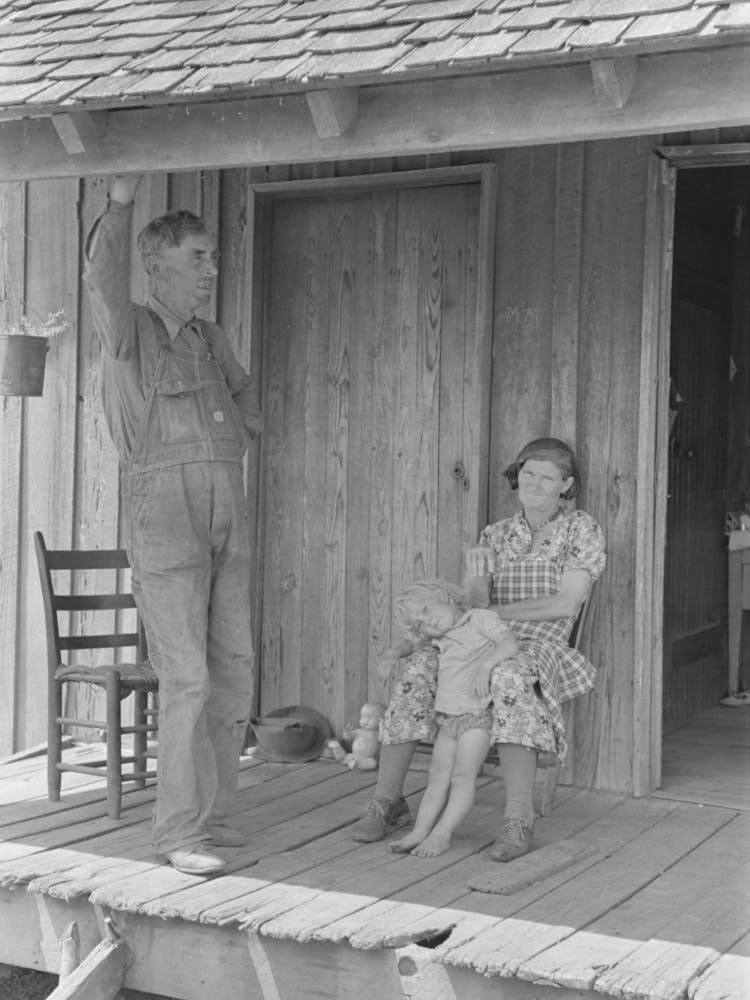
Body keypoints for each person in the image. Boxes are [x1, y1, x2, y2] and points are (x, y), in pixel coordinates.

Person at [84, 174, 261, 877]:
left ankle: (214, 814)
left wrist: (241, 432)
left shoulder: (211, 338)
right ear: (156, 263)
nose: (210, 269)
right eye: (198, 256)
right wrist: (121, 203)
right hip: (166, 509)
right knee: (186, 675)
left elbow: (244, 397)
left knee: (234, 669)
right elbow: (101, 274)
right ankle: (177, 833)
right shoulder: (127, 330)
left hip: (228, 505)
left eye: (212, 256)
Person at [350, 438, 605, 862]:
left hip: (541, 643)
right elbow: (473, 605)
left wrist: (498, 613)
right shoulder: (497, 534)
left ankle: (518, 818)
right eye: (528, 474)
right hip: (477, 635)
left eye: (547, 477)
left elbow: (566, 602)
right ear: (517, 478)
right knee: (420, 668)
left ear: (566, 484)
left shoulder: (580, 528)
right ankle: (388, 801)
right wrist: (476, 569)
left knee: (509, 675)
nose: (535, 483)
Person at [385, 580, 519, 857]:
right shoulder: (439, 637)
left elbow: (509, 643)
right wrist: (391, 655)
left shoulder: (479, 619)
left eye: (425, 608)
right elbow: (408, 643)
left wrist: (486, 665)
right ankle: (420, 831)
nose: (427, 620)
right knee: (437, 777)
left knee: (461, 775)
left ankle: (442, 833)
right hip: (447, 719)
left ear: (444, 596)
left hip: (477, 717)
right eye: (420, 623)